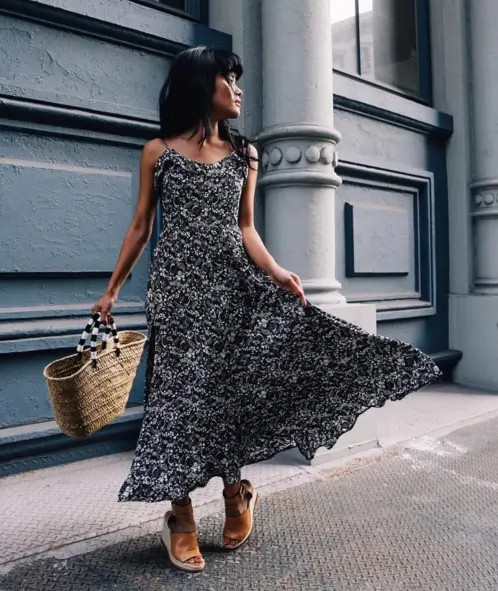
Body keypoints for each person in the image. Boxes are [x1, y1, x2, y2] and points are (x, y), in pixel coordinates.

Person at [91, 45, 442, 572]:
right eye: (227, 79)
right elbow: (141, 227)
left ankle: (236, 495)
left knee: (229, 394)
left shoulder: (245, 155)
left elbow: (246, 227)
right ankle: (180, 516)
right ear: (198, 84)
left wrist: (278, 272)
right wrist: (112, 291)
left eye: (238, 80)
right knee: (176, 401)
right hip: (177, 295)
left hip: (235, 290)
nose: (237, 90)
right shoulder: (157, 152)